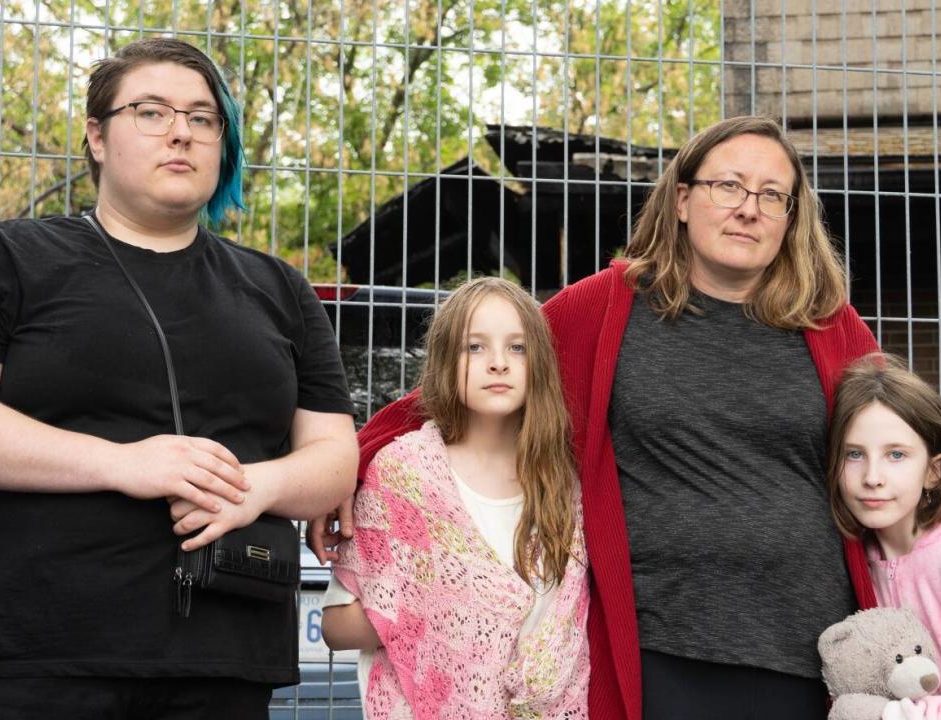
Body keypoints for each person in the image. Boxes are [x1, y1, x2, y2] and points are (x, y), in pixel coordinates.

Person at [310, 115, 882, 719]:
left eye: (773, 196)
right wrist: (349, 464)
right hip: (658, 653)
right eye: (729, 186)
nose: (749, 209)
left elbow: (903, 443)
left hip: (812, 650)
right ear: (682, 200)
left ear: (791, 218)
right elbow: (469, 385)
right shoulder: (608, 306)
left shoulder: (829, 326)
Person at [0, 38, 358, 719]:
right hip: (40, 655)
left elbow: (336, 457)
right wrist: (122, 463)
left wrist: (256, 488)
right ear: (97, 137)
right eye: (152, 111)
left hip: (225, 655)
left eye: (203, 117)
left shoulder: (279, 288)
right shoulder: (14, 258)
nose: (182, 132)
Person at [320, 277, 590, 718]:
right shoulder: (405, 476)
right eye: (475, 347)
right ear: (447, 361)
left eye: (517, 348)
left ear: (540, 363)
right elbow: (336, 626)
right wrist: (446, 606)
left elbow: (570, 627)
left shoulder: (565, 485)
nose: (499, 363)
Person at [827, 354, 941, 700]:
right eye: (854, 454)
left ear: (934, 470)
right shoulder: (856, 560)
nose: (872, 478)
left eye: (896, 455)